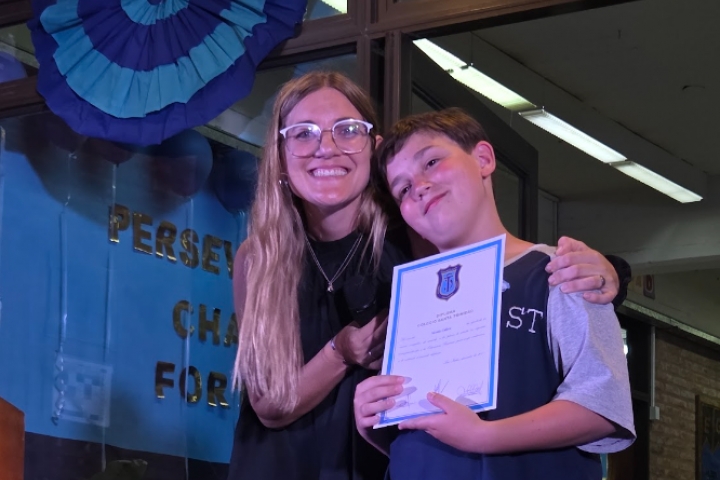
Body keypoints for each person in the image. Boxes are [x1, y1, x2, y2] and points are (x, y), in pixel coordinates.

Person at [228, 71, 627, 480]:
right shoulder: (259, 258)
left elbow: (501, 262)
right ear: (280, 155)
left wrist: (607, 272)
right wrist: (342, 352)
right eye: (303, 134)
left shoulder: (414, 233)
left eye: (347, 130)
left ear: (372, 148)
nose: (326, 148)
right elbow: (268, 404)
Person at [354, 107, 636, 480]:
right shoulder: (412, 301)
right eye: (402, 189)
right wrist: (375, 419)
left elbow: (602, 405)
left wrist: (483, 436)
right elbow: (422, 437)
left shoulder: (562, 271)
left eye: (432, 162)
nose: (419, 186)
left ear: (483, 159)